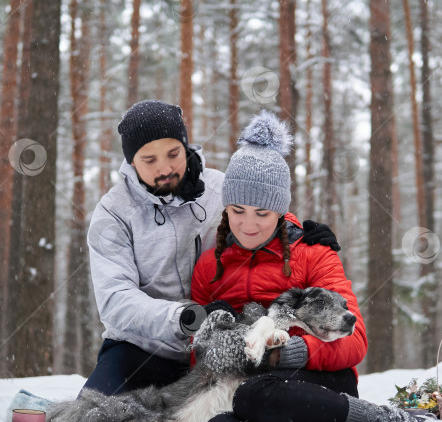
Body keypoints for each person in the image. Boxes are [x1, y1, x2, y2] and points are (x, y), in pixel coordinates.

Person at [192, 111, 442, 422]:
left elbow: (356, 340)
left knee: (255, 396)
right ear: (225, 207)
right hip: (244, 390)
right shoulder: (209, 266)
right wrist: (216, 335)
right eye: (237, 210)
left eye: (262, 212)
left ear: (280, 210)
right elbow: (198, 360)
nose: (248, 224)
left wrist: (289, 353)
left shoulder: (314, 252)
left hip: (317, 387)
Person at [83, 100, 338, 396]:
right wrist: (187, 317)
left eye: (173, 153)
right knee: (94, 420)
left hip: (219, 346)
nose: (164, 168)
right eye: (149, 160)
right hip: (140, 348)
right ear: (131, 162)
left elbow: (259, 214)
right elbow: (116, 300)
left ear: (185, 145)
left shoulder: (219, 188)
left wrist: (298, 232)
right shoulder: (113, 213)